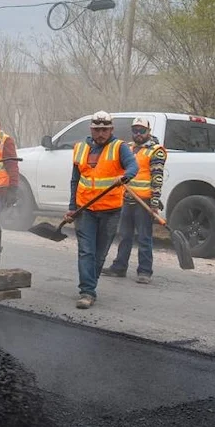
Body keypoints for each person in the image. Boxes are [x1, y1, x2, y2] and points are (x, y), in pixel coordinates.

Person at [63, 111, 137, 309]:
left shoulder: (119, 147)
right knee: (86, 251)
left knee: (100, 253)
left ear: (111, 129)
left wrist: (125, 176)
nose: (101, 133)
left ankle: (90, 283)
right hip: (85, 209)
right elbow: (75, 180)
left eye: (105, 129)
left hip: (111, 210)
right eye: (97, 129)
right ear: (91, 130)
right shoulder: (80, 148)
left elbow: (133, 166)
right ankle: (87, 291)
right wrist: (72, 208)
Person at [102, 116, 166, 284]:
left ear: (148, 132)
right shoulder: (128, 148)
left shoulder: (156, 150)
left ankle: (145, 271)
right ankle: (119, 267)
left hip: (143, 201)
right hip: (126, 198)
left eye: (142, 131)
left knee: (144, 237)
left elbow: (157, 178)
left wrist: (154, 202)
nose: (138, 134)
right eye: (135, 130)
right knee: (124, 236)